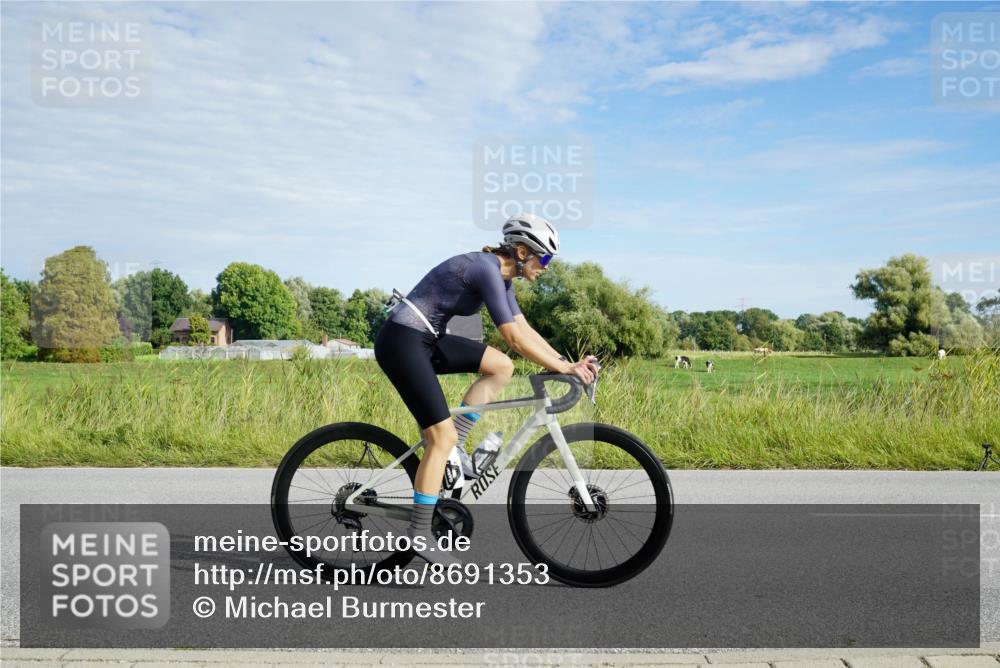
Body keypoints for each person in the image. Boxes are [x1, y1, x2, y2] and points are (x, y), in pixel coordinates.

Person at [374, 213, 599, 564]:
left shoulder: (504, 280)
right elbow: (511, 337)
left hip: (427, 340)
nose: (548, 266)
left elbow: (525, 330)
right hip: (401, 342)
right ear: (523, 251)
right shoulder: (485, 269)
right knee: (439, 437)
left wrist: (566, 362)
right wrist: (562, 367)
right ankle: (419, 531)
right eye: (545, 258)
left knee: (501, 366)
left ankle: (457, 449)